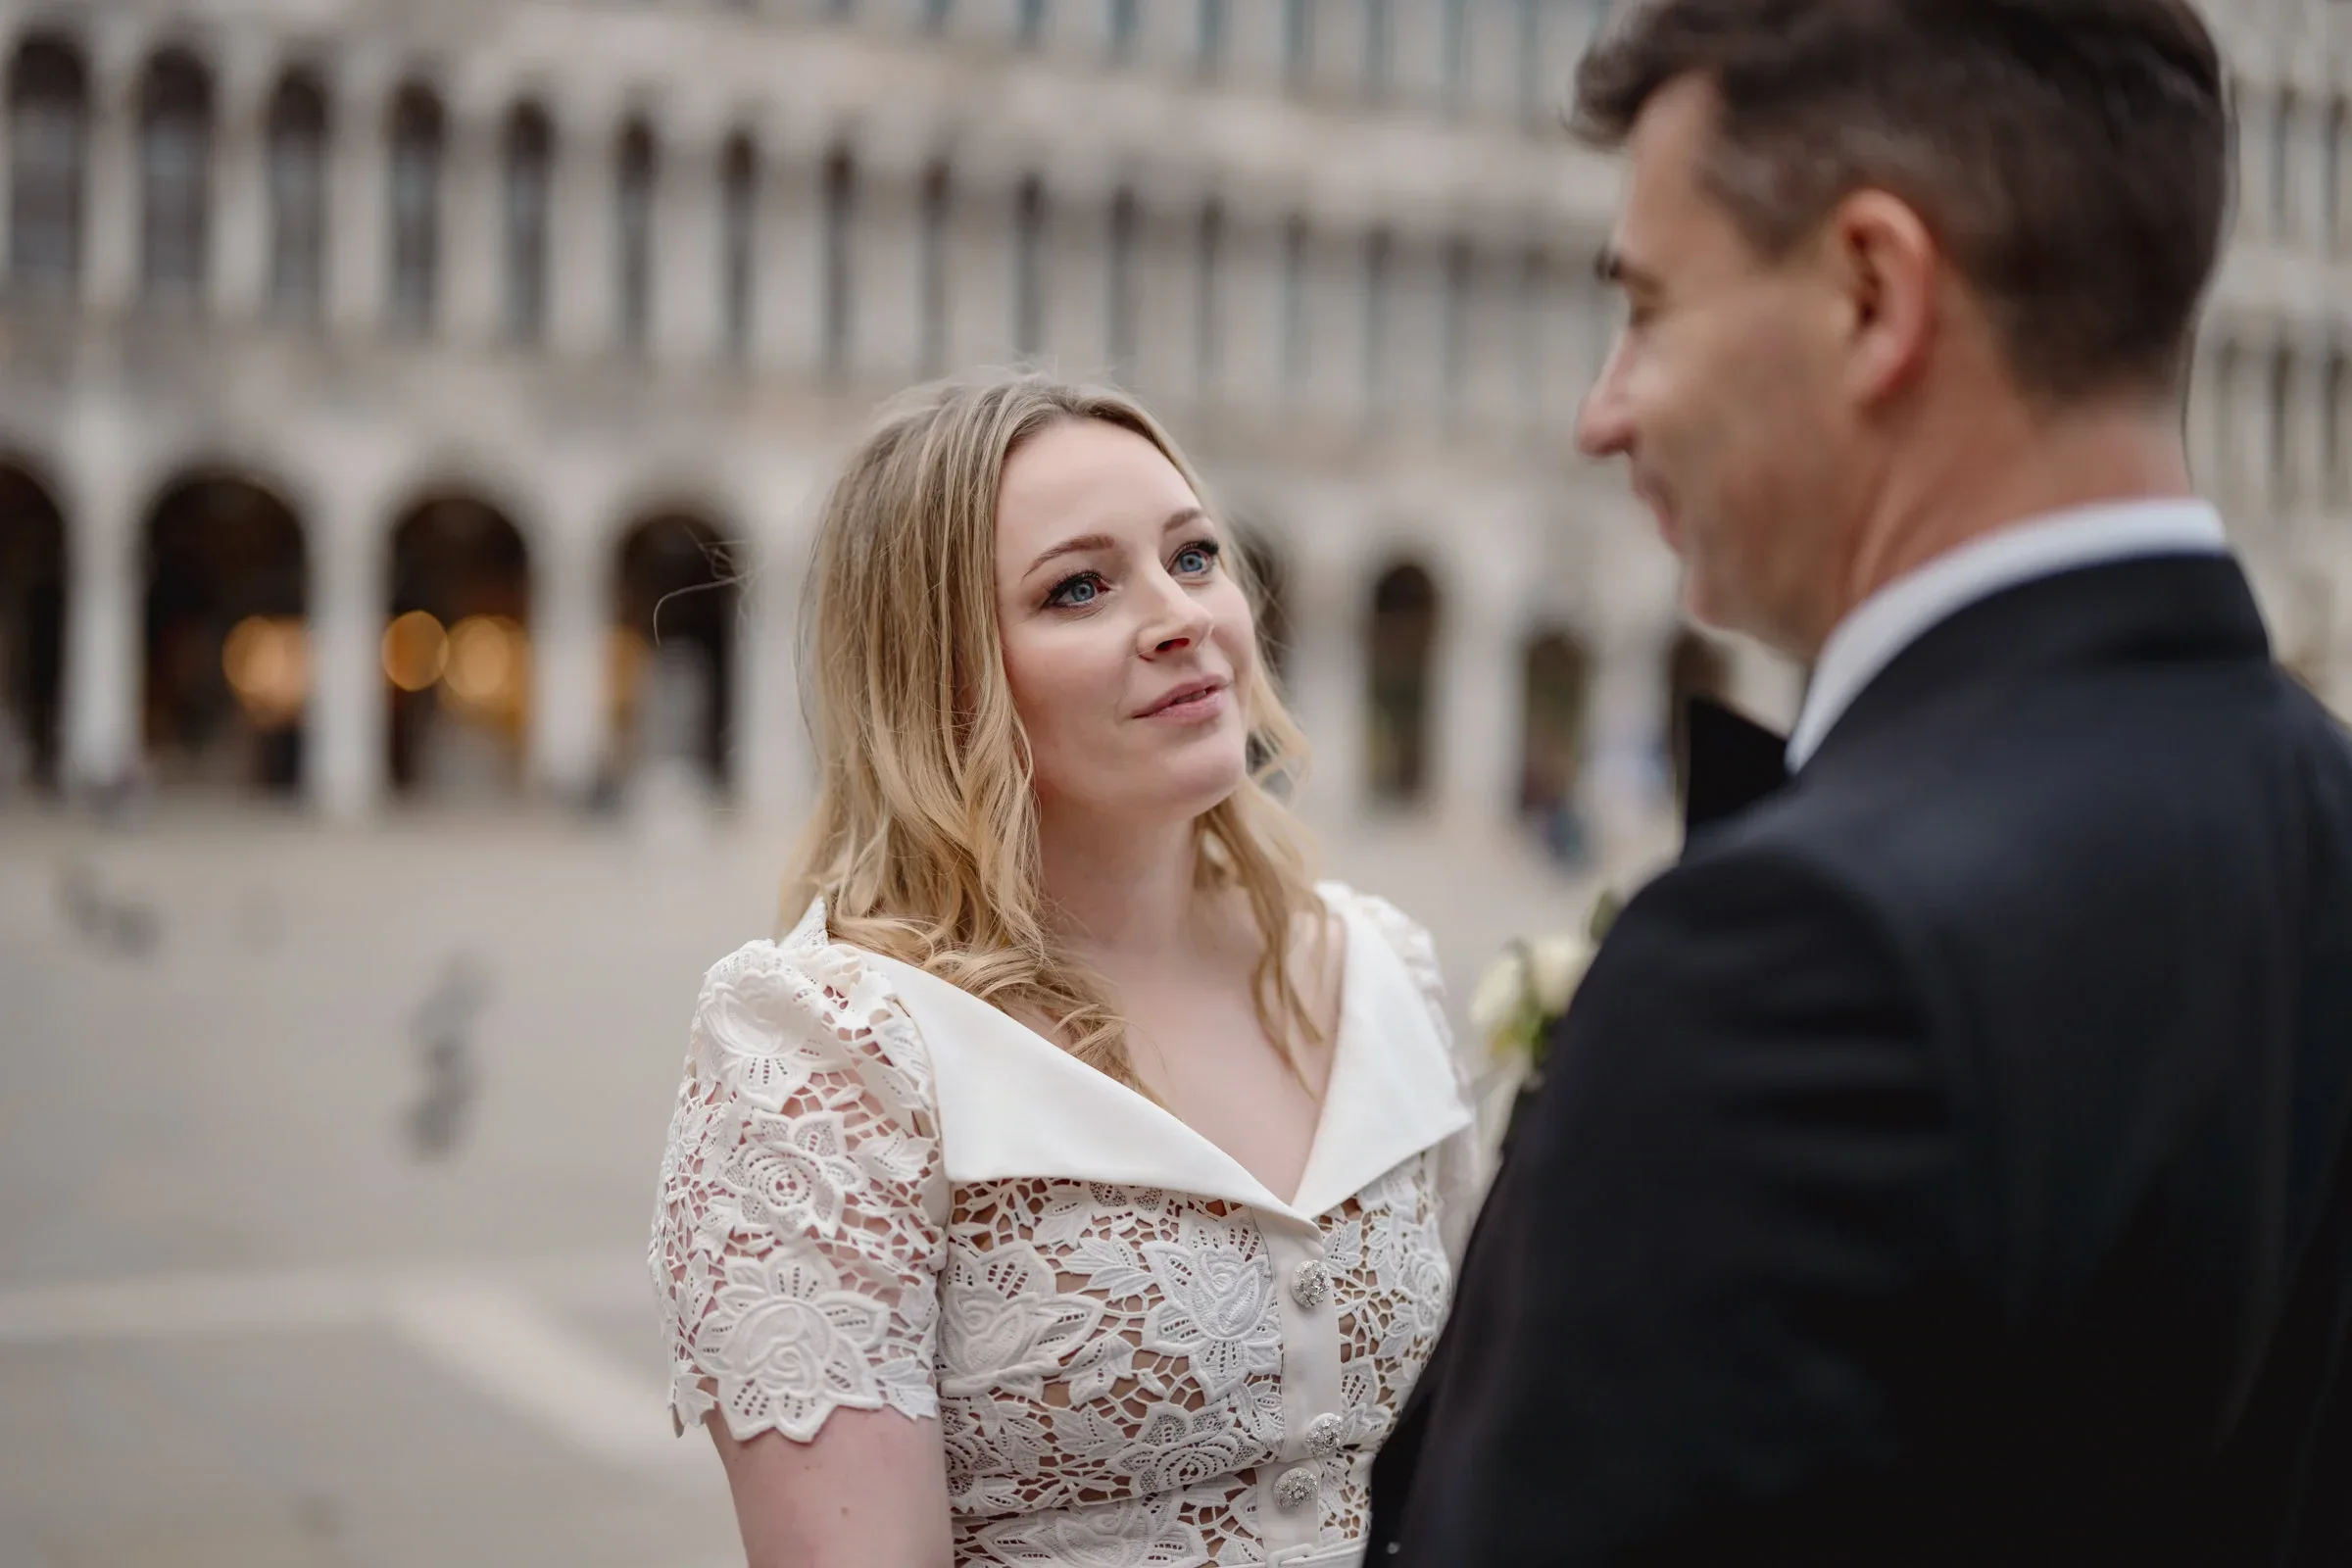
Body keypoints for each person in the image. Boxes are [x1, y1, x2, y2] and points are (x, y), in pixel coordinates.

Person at [1368, 1, 2352, 1562]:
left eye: (1654, 310)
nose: (1602, 407)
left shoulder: (1800, 962)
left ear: (1874, 295)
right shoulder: (2317, 811)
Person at [652, 373, 1484, 1568]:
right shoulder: (827, 1048)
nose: (1178, 616)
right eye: (1079, 588)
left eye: (1195, 557)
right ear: (943, 679)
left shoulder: (1385, 970)